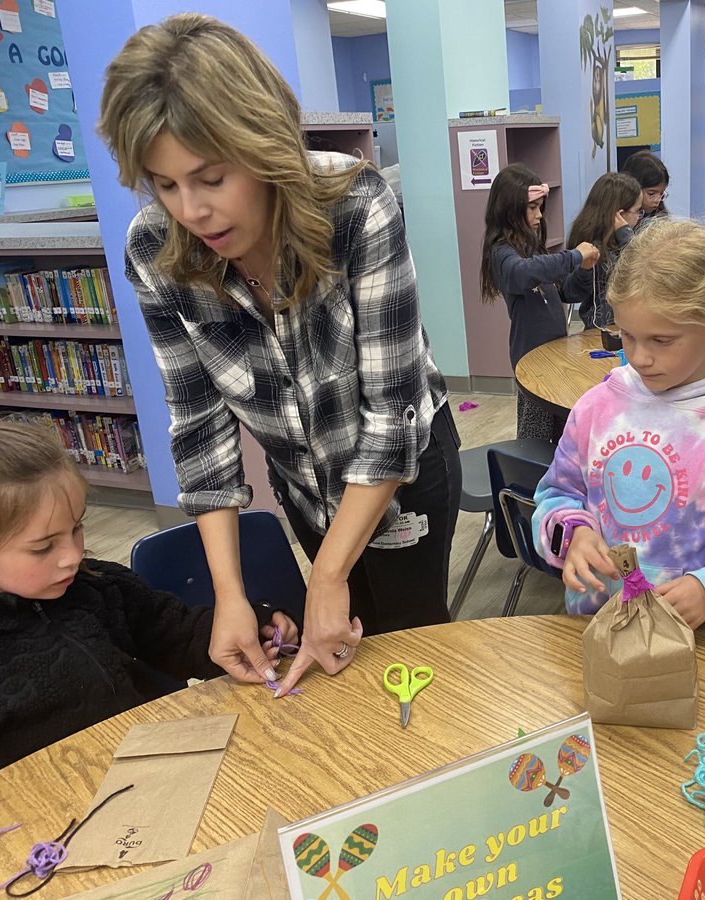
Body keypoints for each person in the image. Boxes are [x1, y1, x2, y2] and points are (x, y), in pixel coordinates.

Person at [97, 14, 461, 697]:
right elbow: (200, 428)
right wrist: (228, 595)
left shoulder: (354, 204)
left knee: (414, 645)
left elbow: (391, 418)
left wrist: (326, 575)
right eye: (165, 185)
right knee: (341, 655)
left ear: (261, 142)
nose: (192, 211)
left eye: (210, 177)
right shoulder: (154, 250)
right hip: (305, 478)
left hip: (405, 463)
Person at [0, 418, 299, 795]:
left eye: (77, 528)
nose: (72, 555)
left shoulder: (98, 585)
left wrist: (250, 628)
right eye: (43, 547)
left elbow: (175, 632)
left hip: (157, 779)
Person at [530, 219, 705, 629]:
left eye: (661, 340)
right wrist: (572, 533)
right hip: (597, 637)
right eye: (627, 336)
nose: (639, 357)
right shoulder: (597, 408)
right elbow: (556, 496)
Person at [480, 163, 599, 441]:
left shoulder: (531, 249)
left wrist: (583, 271)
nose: (539, 215)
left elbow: (565, 293)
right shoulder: (502, 253)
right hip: (532, 362)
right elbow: (522, 274)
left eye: (540, 207)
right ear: (510, 209)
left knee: (560, 433)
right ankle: (530, 482)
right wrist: (573, 257)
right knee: (535, 437)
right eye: (532, 208)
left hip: (554, 357)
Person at [565, 172, 642, 329]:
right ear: (620, 215)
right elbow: (570, 293)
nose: (640, 217)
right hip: (604, 332)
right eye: (637, 211)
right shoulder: (593, 248)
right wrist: (584, 269)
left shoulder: (624, 241)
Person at [621, 150, 670, 230]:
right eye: (651, 194)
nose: (657, 200)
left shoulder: (659, 218)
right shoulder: (619, 220)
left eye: (661, 194)